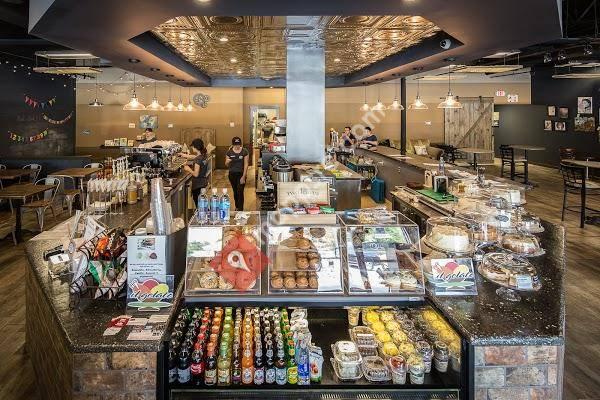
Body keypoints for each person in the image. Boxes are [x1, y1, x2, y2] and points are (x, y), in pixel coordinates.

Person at [181, 138, 209, 206]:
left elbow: (196, 174)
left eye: (193, 146)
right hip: (203, 182)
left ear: (196, 147)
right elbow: (195, 157)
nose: (192, 148)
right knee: (203, 204)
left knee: (199, 206)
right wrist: (185, 155)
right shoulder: (204, 155)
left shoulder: (197, 159)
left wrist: (188, 168)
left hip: (197, 185)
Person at [225, 137, 249, 210]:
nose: (237, 146)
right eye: (235, 145)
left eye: (238, 144)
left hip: (241, 174)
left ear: (240, 144)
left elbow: (246, 164)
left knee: (240, 192)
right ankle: (237, 207)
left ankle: (241, 210)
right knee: (235, 191)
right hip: (232, 174)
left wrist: (243, 176)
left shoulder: (244, 151)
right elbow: (226, 164)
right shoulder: (229, 152)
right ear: (233, 145)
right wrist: (227, 162)